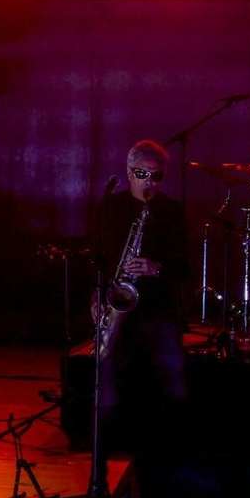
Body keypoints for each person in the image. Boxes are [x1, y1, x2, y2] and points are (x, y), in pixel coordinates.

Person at [94, 139, 189, 461]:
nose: (149, 181)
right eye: (141, 173)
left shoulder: (173, 212)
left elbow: (187, 268)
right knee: (107, 387)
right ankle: (105, 457)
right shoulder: (109, 208)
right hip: (116, 303)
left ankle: (166, 454)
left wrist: (156, 267)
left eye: (156, 176)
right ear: (128, 172)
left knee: (173, 383)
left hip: (158, 308)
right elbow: (96, 258)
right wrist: (96, 296)